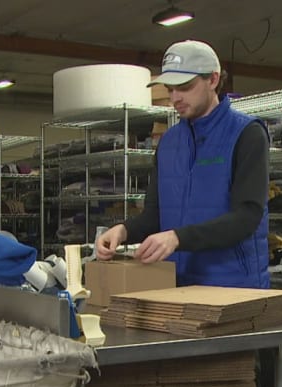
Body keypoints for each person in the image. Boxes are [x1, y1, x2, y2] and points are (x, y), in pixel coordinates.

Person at [95, 40, 271, 288]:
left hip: (233, 285)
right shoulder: (168, 143)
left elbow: (247, 217)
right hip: (176, 282)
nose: (175, 98)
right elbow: (154, 216)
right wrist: (123, 230)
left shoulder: (247, 133)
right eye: (170, 89)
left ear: (212, 80)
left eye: (185, 87)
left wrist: (178, 238)